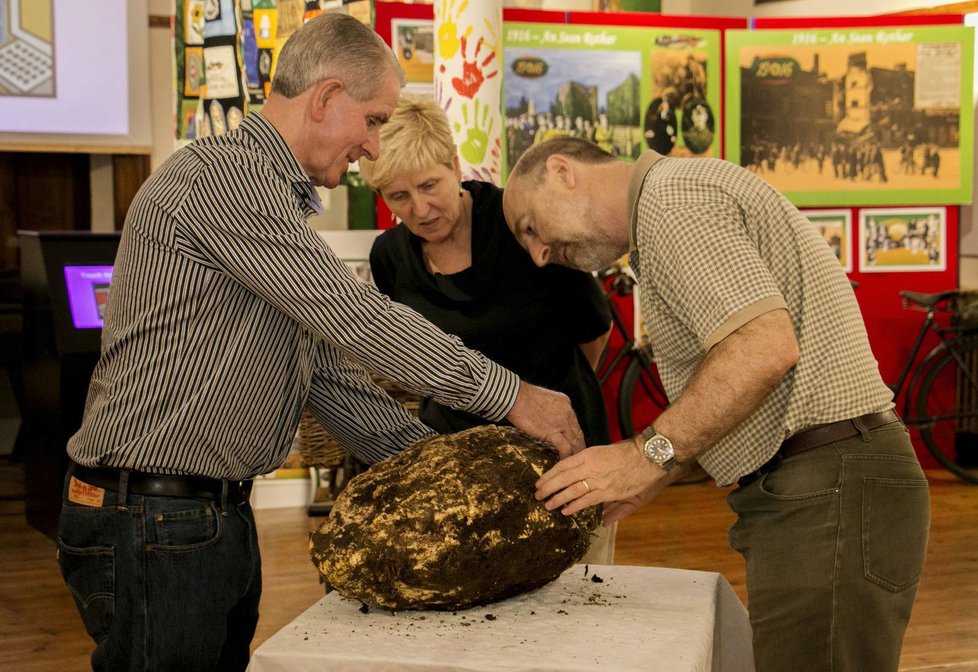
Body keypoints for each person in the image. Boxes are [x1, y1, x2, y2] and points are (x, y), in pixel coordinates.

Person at [57, 14, 584, 672]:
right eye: (372, 119)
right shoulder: (223, 182)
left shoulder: (268, 203)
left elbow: (328, 379)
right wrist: (512, 397)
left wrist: (456, 474)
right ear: (327, 98)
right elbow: (356, 317)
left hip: (200, 519)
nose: (373, 145)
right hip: (156, 519)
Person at [501, 136, 929, 672]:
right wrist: (659, 474)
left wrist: (643, 457)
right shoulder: (667, 209)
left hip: (828, 486)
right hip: (822, 486)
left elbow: (763, 349)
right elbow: (754, 374)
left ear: (562, 172)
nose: (540, 255)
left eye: (530, 228)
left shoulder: (671, 200)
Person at [358, 95, 615, 563]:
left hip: (562, 455)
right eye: (399, 196)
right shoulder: (390, 256)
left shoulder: (519, 223)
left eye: (429, 185)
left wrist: (558, 391)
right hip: (457, 469)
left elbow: (593, 327)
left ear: (455, 166)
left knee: (578, 601)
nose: (420, 208)